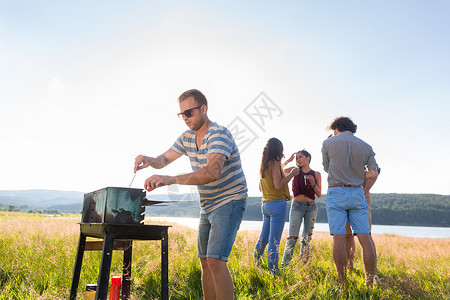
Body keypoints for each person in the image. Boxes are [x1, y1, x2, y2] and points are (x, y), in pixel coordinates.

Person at [134, 89, 247, 300]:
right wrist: (150, 160)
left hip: (230, 199)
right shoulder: (187, 137)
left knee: (215, 260)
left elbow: (213, 172)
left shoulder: (218, 134)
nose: (185, 118)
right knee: (205, 260)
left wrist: (171, 179)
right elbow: (164, 159)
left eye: (189, 113)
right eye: (182, 114)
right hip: (208, 204)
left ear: (203, 109)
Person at [321, 116, 379, 286]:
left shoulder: (328, 143)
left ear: (336, 128)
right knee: (365, 237)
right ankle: (369, 281)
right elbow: (374, 173)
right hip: (357, 191)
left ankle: (342, 281)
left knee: (338, 238)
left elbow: (326, 167)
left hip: (336, 191)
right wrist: (357, 174)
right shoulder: (366, 146)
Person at [253, 138, 299, 274]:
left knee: (264, 238)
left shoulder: (264, 165)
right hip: (277, 205)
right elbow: (279, 185)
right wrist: (292, 174)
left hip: (265, 205)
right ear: (279, 150)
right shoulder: (275, 163)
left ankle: (256, 264)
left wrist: (288, 161)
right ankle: (274, 271)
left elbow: (261, 188)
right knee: (274, 240)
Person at [281, 150, 322, 266]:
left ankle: (303, 266)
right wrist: (288, 160)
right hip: (297, 206)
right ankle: (285, 266)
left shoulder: (317, 174)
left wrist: (313, 184)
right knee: (292, 237)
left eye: (300, 157)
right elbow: (280, 170)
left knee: (306, 238)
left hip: (311, 207)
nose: (298, 160)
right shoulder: (295, 171)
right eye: (296, 158)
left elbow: (319, 194)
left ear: (308, 158)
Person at [346, 167, 381, 283]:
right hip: (344, 194)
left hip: (361, 195)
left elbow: (376, 171)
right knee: (348, 235)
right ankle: (349, 267)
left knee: (366, 235)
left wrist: (363, 190)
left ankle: (373, 274)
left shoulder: (364, 152)